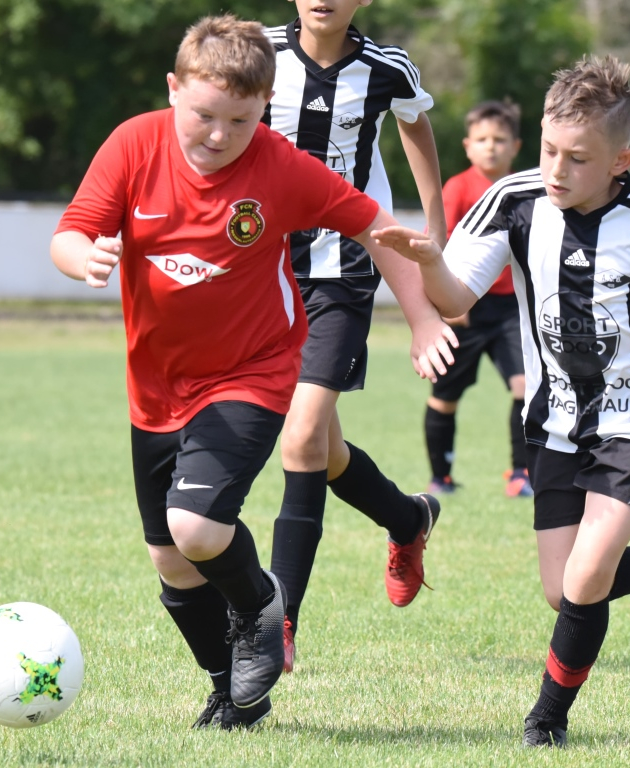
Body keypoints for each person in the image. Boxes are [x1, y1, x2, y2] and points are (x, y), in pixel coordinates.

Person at [49, 14, 454, 732]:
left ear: (264, 107)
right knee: (172, 561)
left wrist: (422, 316)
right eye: (204, 115)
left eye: (239, 121)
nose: (218, 135)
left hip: (251, 372)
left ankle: (263, 602)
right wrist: (83, 257)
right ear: (173, 90)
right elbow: (71, 232)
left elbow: (375, 228)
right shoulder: (134, 144)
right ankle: (232, 695)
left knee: (196, 527)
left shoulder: (279, 166)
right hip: (156, 388)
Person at [374, 54, 630, 748]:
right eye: (548, 150)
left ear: (621, 160)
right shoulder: (511, 200)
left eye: (578, 158)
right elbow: (456, 299)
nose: (556, 170)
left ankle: (546, 720)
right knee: (562, 588)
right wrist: (427, 263)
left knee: (586, 576)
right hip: (554, 423)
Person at [262, 0, 452, 674]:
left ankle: (279, 623)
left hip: (342, 273)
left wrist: (434, 225)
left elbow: (416, 123)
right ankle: (407, 519)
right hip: (262, 275)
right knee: (326, 449)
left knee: (301, 440)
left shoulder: (385, 68)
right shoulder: (255, 53)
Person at [423, 100, 533, 498]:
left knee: (526, 387)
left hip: (510, 307)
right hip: (465, 306)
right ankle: (441, 477)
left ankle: (521, 473)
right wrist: (448, 303)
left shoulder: (523, 190)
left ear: (515, 147)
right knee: (445, 396)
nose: (491, 146)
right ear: (468, 146)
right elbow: (441, 242)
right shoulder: (458, 188)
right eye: (482, 139)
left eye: (500, 140)